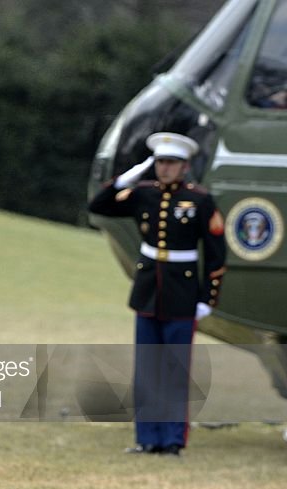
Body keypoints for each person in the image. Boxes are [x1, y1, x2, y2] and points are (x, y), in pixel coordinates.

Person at [88, 132, 226, 457]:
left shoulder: (200, 200)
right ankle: (147, 438)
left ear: (185, 166)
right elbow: (100, 205)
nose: (165, 169)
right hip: (149, 291)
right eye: (161, 162)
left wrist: (208, 298)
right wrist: (130, 175)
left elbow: (217, 254)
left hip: (182, 293)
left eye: (172, 163)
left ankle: (172, 440)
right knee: (147, 367)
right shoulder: (143, 194)